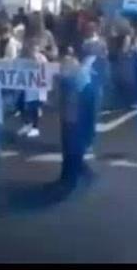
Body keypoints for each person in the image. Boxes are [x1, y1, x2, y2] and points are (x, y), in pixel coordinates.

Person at [56, 53, 96, 189]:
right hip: (68, 123)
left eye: (64, 68)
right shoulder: (66, 82)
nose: (61, 71)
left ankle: (70, 182)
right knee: (69, 154)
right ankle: (68, 177)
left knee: (74, 154)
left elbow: (90, 115)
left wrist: (89, 137)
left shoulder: (85, 87)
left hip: (77, 126)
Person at [18, 38, 48, 138]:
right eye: (31, 48)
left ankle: (35, 128)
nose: (32, 50)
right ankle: (27, 124)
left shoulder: (42, 58)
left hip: (37, 88)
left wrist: (35, 60)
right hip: (27, 87)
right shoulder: (25, 58)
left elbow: (45, 70)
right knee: (21, 105)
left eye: (34, 48)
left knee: (34, 107)